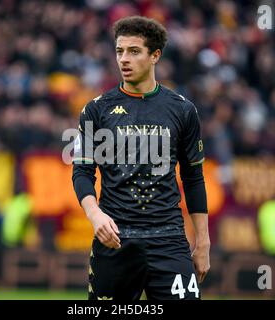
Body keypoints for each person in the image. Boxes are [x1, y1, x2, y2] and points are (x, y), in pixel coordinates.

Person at [72, 16, 210, 300]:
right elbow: (82, 172)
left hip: (169, 240)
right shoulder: (96, 110)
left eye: (134, 51)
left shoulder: (183, 110)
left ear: (155, 55)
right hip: (115, 240)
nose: (124, 59)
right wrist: (95, 214)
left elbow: (193, 178)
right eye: (120, 51)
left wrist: (203, 243)